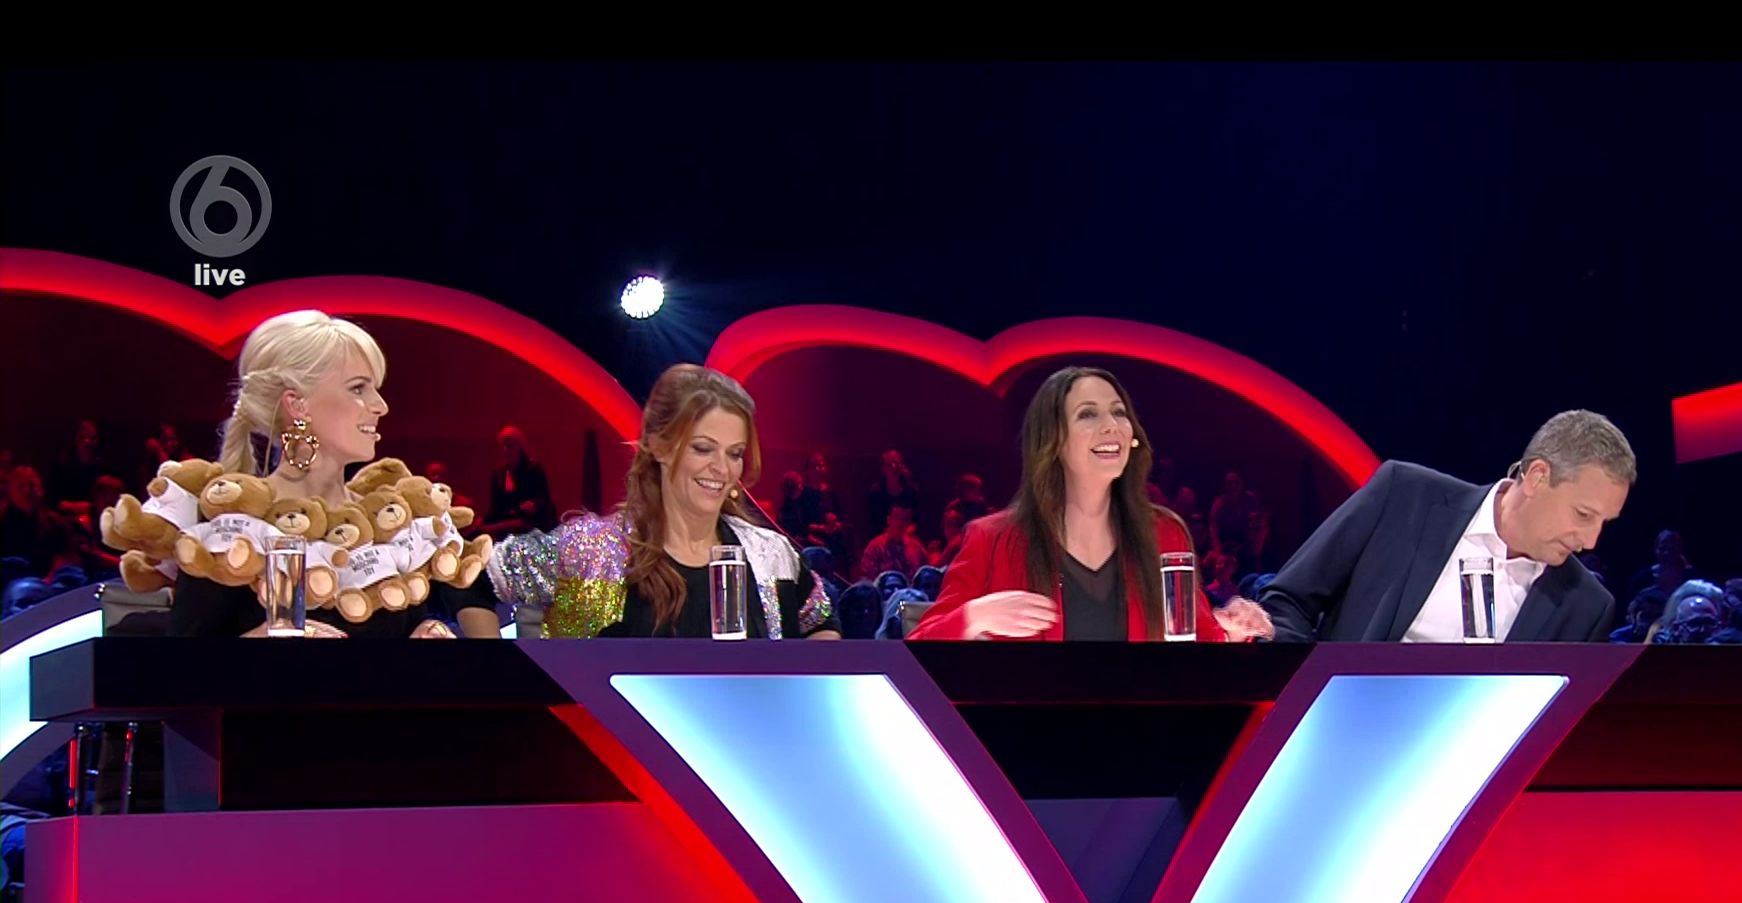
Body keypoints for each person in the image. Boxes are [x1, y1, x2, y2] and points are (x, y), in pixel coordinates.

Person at [167, 310, 497, 638]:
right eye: (358, 389)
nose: (381, 406)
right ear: (298, 405)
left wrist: (426, 632)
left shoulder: (389, 521)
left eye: (375, 388)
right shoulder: (231, 528)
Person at [910, 366, 1270, 642]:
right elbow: (919, 652)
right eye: (1087, 414)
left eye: (1118, 412)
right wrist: (974, 617)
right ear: (1053, 439)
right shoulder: (991, 539)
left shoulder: (1165, 535)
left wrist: (1234, 630)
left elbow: (1199, 645)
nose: (1111, 425)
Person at [485, 364, 840, 640]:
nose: (722, 469)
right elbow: (477, 582)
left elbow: (821, 621)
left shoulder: (770, 555)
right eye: (703, 448)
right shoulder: (593, 549)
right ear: (658, 446)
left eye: (734, 453)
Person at [1259, 409, 1634, 643]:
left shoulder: (1586, 607)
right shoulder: (1403, 497)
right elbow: (1288, 602)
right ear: (1537, 477)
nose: (1590, 541)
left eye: (1604, 523)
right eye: (1583, 515)